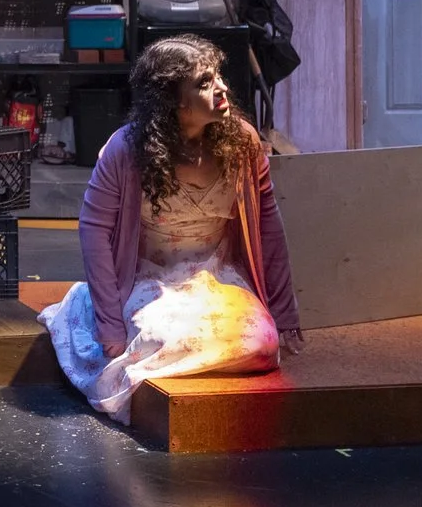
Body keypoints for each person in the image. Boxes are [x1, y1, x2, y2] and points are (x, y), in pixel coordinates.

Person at [43, 36, 301, 422]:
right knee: (160, 341)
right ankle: (87, 307)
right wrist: (110, 324)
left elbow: (269, 228)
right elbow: (94, 229)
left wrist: (285, 314)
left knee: (261, 344)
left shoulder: (243, 143)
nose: (222, 88)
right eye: (204, 82)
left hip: (214, 274)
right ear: (174, 101)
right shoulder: (126, 151)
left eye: (218, 76)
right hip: (151, 275)